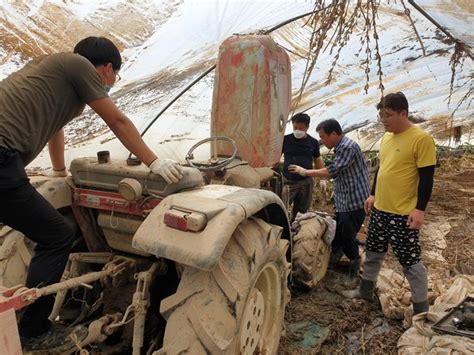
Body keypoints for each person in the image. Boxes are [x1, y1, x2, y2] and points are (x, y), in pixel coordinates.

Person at [0, 36, 183, 350]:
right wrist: (153, 161)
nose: (111, 84)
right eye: (115, 77)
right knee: (56, 235)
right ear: (108, 69)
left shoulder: (52, 71)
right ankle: (33, 331)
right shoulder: (80, 66)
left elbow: (53, 126)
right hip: (2, 158)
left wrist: (59, 172)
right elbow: (117, 119)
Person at [342, 92, 436, 316]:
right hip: (380, 210)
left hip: (403, 214)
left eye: (388, 115)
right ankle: (365, 291)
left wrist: (419, 209)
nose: (383, 120)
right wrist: (373, 195)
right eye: (381, 115)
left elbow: (427, 178)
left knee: (410, 263)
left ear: (403, 113)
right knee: (373, 253)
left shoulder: (421, 139)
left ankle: (420, 309)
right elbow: (383, 170)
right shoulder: (386, 137)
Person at [289, 119, 370, 286]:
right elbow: (338, 169)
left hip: (353, 201)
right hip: (344, 200)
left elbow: (332, 171)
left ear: (334, 134)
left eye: (323, 137)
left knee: (348, 236)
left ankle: (353, 273)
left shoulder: (347, 147)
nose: (323, 141)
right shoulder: (340, 148)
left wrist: (305, 172)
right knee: (339, 234)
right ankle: (330, 263)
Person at [282, 113, 324, 222]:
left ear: (307, 127)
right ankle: (283, 228)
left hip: (306, 182)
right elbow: (275, 156)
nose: (297, 130)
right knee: (282, 206)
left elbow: (317, 159)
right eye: (295, 127)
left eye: (300, 128)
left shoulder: (313, 143)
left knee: (302, 211)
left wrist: (322, 178)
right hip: (288, 181)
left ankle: (297, 227)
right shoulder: (285, 140)